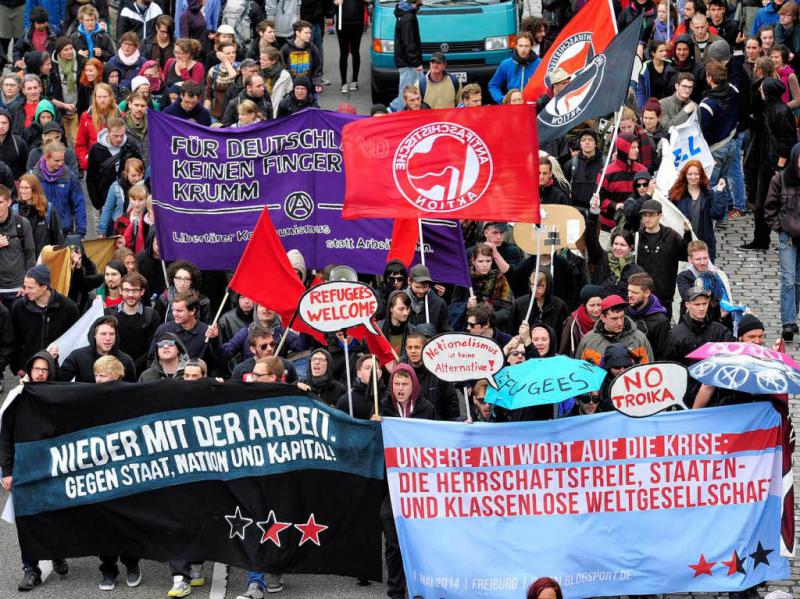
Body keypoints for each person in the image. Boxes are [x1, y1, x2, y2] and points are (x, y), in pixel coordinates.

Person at [0, 350, 67, 592]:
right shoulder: (17, 396)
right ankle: (31, 569)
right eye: (36, 369)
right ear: (29, 370)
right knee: (27, 519)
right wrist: (6, 471)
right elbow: (5, 435)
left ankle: (57, 552)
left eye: (44, 369)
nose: (40, 373)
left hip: (54, 466)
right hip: (25, 467)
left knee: (56, 514)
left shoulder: (60, 396)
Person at [372, 364, 436, 599]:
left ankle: (420, 586)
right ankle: (396, 590)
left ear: (413, 386)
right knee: (392, 538)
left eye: (404, 384)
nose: (400, 389)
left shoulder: (426, 408)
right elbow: (373, 445)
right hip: (390, 484)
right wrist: (374, 426)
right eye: (396, 384)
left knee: (420, 538)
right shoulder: (382, 408)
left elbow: (436, 440)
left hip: (418, 484)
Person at [744, 77, 797, 250]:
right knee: (760, 205)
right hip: (765, 163)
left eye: (762, 89)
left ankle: (785, 239)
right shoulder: (767, 108)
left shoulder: (782, 112)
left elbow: (787, 142)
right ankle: (761, 239)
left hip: (776, 166)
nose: (760, 91)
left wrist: (780, 167)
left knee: (781, 204)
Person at [766, 141, 800, 340]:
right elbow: (769, 209)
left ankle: (792, 317)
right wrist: (781, 229)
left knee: (797, 281)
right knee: (787, 279)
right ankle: (788, 322)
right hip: (787, 236)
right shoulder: (780, 179)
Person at [636, 199, 692, 316]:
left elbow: (686, 254)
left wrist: (687, 233)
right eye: (644, 215)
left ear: (660, 215)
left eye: (651, 215)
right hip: (641, 296)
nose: (647, 219)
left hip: (664, 298)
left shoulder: (671, 236)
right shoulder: (637, 237)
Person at [669, 160, 728, 261]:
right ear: (685, 175)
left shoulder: (708, 194)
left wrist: (720, 192)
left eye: (696, 174)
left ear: (701, 175)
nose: (693, 177)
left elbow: (717, 214)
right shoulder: (677, 194)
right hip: (684, 242)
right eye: (690, 174)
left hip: (704, 242)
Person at [575, 294, 654, 366]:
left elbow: (649, 371)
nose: (619, 323)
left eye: (622, 317)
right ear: (603, 318)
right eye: (614, 319)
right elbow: (579, 372)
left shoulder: (639, 339)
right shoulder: (588, 341)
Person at [666, 285, 735, 364]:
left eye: (704, 304)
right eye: (697, 305)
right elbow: (669, 364)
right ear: (687, 305)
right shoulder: (675, 334)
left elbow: (733, 352)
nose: (702, 308)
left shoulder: (719, 330)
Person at [86, 116, 142, 212]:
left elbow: (140, 169)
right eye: (115, 136)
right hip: (105, 199)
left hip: (129, 199)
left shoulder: (130, 146)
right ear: (108, 133)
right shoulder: (96, 149)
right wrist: (97, 203)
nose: (119, 139)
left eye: (122, 135)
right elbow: (91, 178)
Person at [57, 315, 136, 383]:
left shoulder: (125, 361)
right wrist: (52, 361)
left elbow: (131, 391)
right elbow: (59, 382)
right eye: (103, 334)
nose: (108, 338)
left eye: (112, 334)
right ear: (94, 335)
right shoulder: (78, 356)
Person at [31, 141, 87, 236]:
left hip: (64, 230)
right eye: (57, 161)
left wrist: (80, 231)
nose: (61, 163)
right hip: (40, 231)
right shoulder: (33, 177)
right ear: (47, 157)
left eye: (62, 160)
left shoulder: (70, 177)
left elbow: (79, 204)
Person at [593, 134, 646, 234]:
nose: (637, 150)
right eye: (633, 147)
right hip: (608, 227)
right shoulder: (606, 173)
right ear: (623, 149)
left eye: (637, 147)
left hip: (635, 227)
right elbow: (599, 199)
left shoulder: (642, 170)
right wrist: (615, 205)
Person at [109, 272, 159, 376]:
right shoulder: (108, 313)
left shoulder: (151, 316)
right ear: (120, 291)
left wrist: (131, 367)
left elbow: (151, 349)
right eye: (127, 290)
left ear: (142, 292)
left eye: (135, 290)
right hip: (114, 371)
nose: (130, 295)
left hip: (142, 373)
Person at [403, 331, 459, 420]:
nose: (413, 351)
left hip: (435, 426)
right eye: (410, 347)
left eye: (417, 347)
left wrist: (452, 425)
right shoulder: (400, 371)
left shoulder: (439, 371)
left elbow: (451, 402)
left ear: (426, 348)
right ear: (406, 349)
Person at [149, 291, 220, 362]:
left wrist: (214, 340)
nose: (175, 314)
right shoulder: (164, 329)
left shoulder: (207, 332)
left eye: (179, 311)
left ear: (192, 311)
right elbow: (152, 359)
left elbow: (217, 360)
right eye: (173, 310)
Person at [585, 228, 645, 298]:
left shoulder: (637, 271)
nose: (618, 248)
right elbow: (590, 240)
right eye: (616, 244)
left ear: (631, 248)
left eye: (622, 245)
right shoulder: (603, 259)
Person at [510, 268, 568, 341]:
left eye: (540, 285)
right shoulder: (520, 304)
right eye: (532, 284)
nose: (535, 289)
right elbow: (512, 331)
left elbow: (563, 335)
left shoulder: (559, 306)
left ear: (548, 285)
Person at [228, 325, 298, 383]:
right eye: (263, 346)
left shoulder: (287, 365)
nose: (269, 349)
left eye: (272, 344)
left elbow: (296, 389)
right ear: (252, 349)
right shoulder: (241, 370)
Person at [15, 172, 62, 256]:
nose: (22, 191)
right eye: (21, 188)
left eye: (26, 188)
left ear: (34, 189)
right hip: (22, 263)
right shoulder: (15, 210)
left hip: (44, 261)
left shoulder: (48, 209)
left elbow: (58, 239)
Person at [626, 272, 671, 359]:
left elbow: (663, 355)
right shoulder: (625, 312)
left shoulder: (660, 322)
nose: (629, 295)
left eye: (634, 292)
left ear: (646, 293)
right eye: (629, 291)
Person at [488, 31, 540, 104]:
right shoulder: (506, 64)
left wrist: (540, 100)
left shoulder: (539, 64)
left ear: (531, 46)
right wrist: (502, 99)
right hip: (513, 106)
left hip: (531, 106)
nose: (523, 50)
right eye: (520, 46)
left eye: (526, 46)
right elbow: (493, 85)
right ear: (516, 46)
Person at [390, 0, 422, 112]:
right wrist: (416, 63)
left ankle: (390, 111)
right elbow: (409, 42)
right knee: (406, 96)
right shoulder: (408, 17)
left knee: (406, 93)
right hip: (409, 64)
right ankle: (399, 120)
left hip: (407, 62)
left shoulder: (405, 13)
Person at [560, 284, 605, 356]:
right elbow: (564, 349)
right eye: (592, 305)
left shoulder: (607, 318)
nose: (596, 309)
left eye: (599, 305)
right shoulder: (572, 322)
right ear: (585, 305)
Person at [280, 19, 323, 93]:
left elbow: (317, 68)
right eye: (306, 33)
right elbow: (282, 67)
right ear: (297, 33)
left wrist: (317, 83)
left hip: (308, 88)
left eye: (310, 33)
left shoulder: (312, 48)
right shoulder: (286, 48)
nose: (309, 35)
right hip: (291, 88)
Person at [405, 263, 450, 333]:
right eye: (417, 287)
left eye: (425, 287)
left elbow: (446, 332)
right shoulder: (400, 300)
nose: (421, 291)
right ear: (409, 281)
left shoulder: (439, 303)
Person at [336, 353, 383, 419]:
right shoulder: (347, 401)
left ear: (380, 373)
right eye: (367, 368)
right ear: (359, 374)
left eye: (375, 368)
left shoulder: (386, 399)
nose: (372, 371)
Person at [637, 40, 677, 110]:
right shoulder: (645, 69)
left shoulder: (671, 65)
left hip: (669, 107)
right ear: (653, 53)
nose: (665, 53)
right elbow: (641, 92)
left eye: (665, 51)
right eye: (661, 51)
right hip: (652, 107)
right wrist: (642, 110)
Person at [379, 289, 417, 359]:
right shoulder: (378, 329)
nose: (406, 313)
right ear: (391, 308)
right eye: (401, 309)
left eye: (407, 308)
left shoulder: (413, 331)